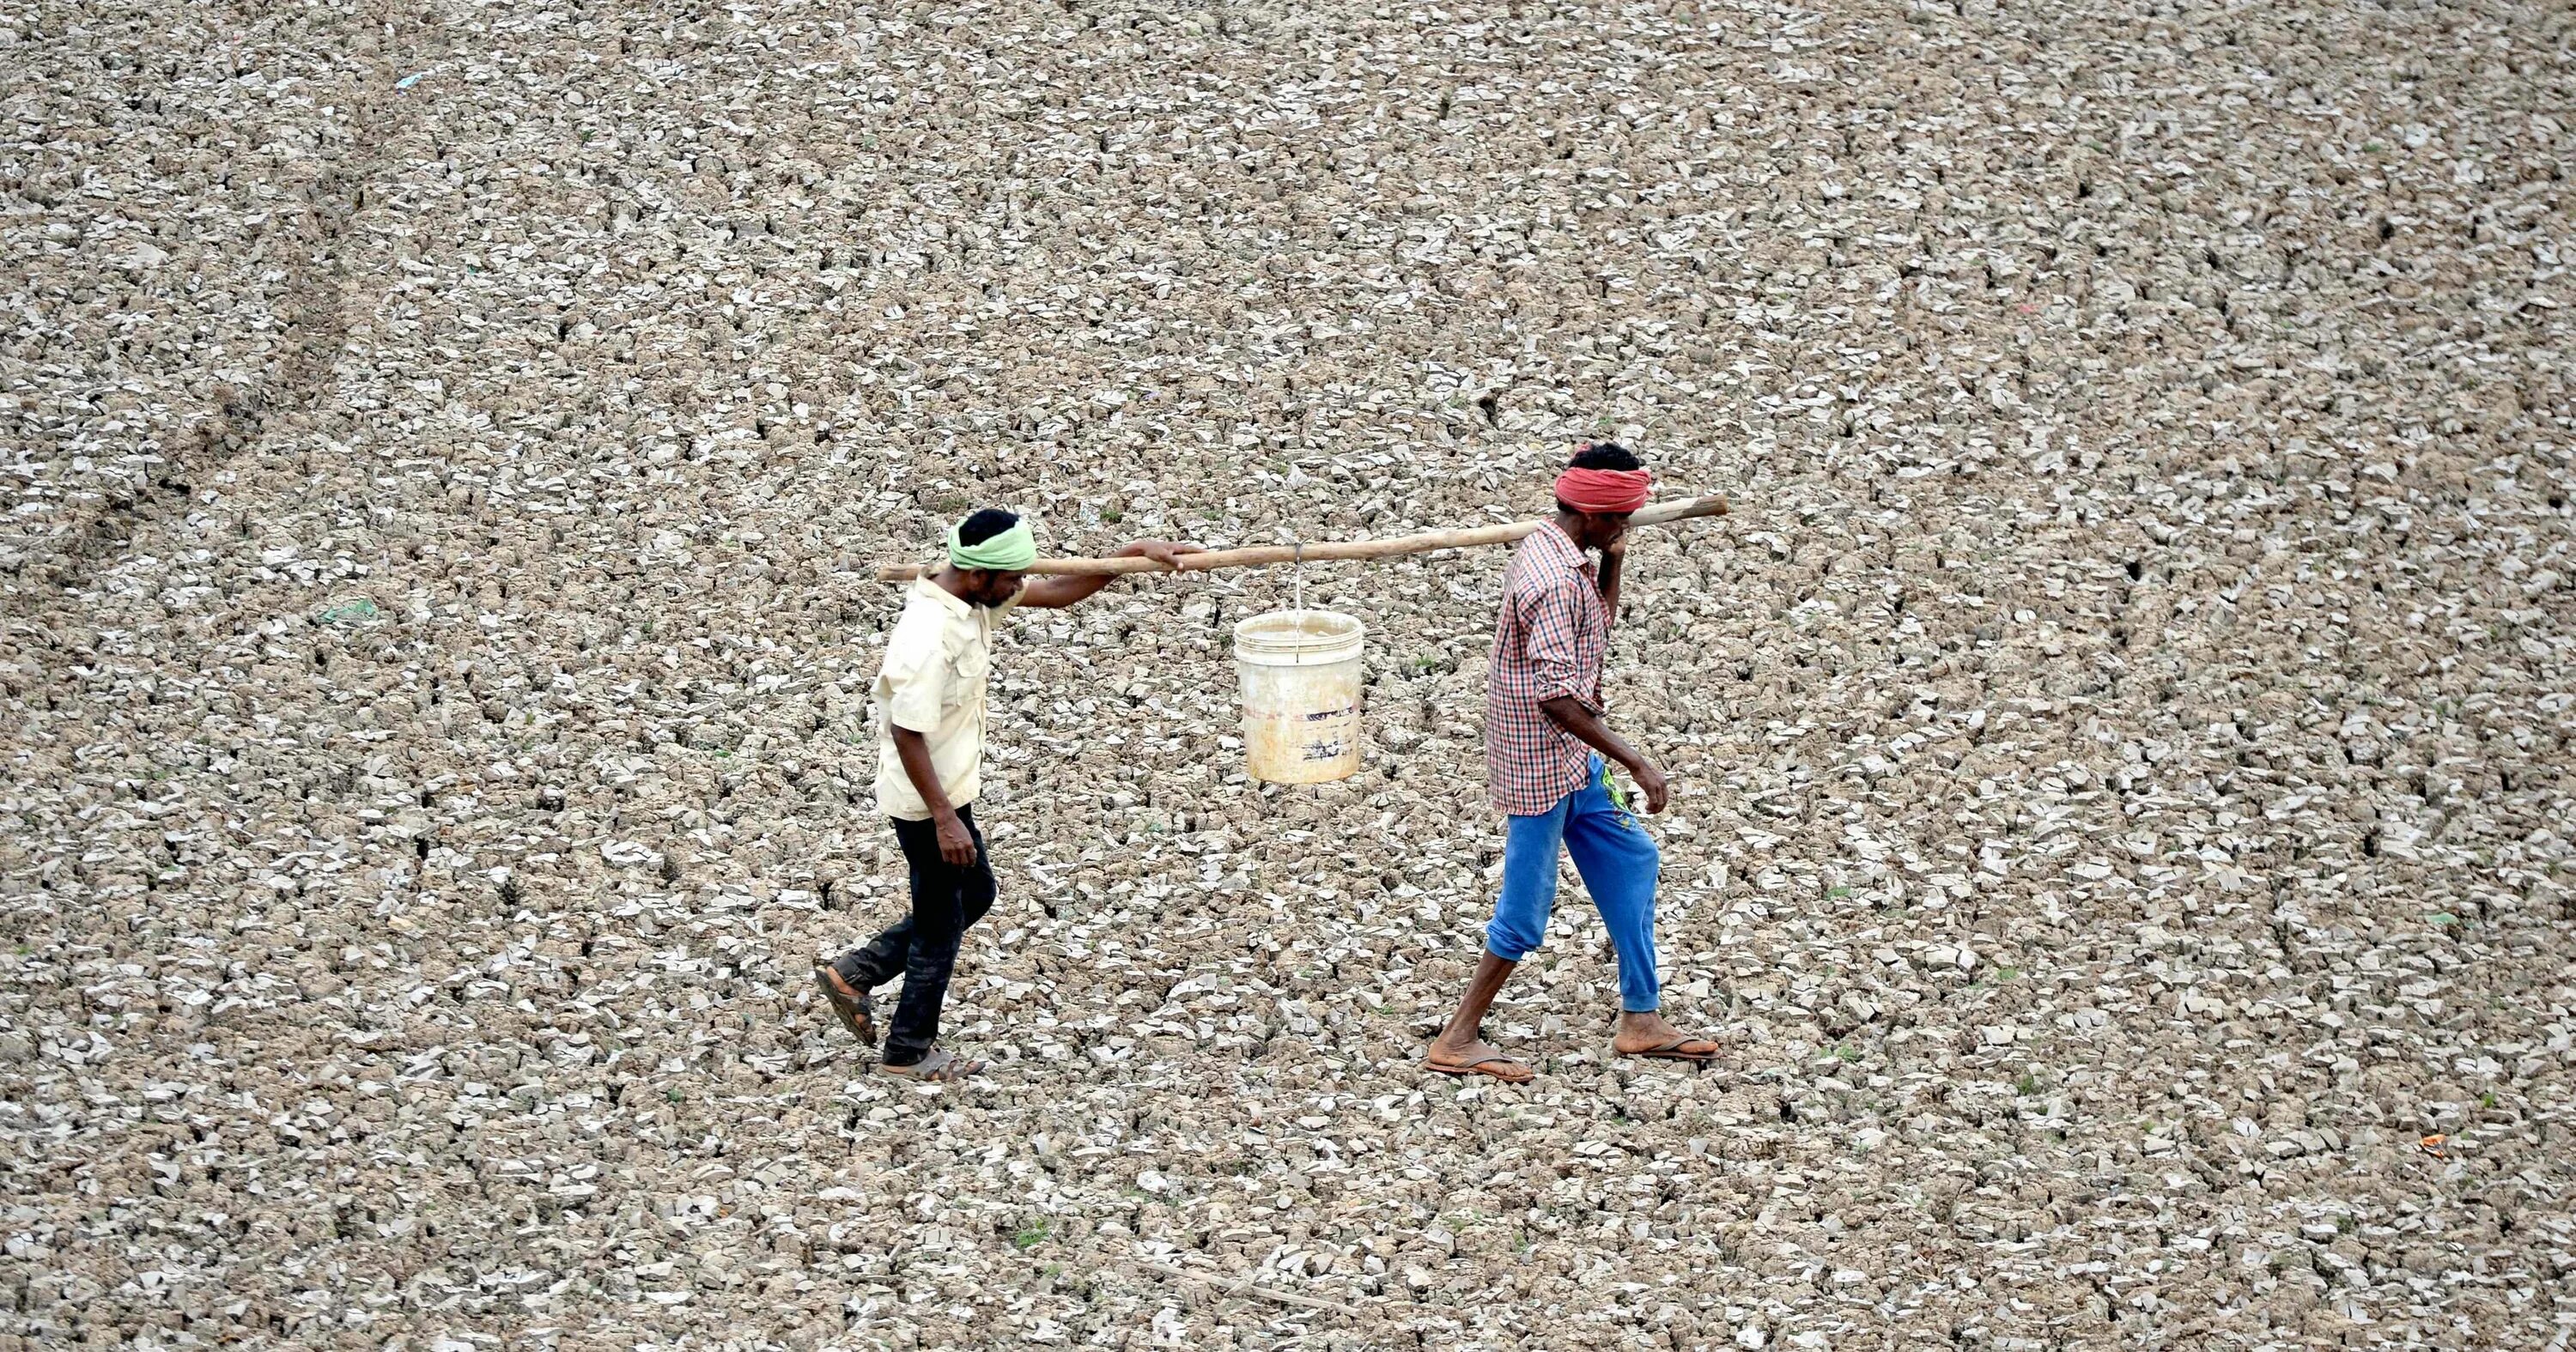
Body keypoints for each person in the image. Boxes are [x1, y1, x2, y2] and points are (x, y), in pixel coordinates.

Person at [815, 508, 1198, 1081]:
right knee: (942, 920)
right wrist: (945, 820)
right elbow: (906, 730)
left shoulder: (973, 599)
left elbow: (1059, 592)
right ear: (976, 574)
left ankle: (856, 972)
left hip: (949, 792)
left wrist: (1130, 555)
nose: (1020, 586)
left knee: (977, 894)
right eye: (1011, 578)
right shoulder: (927, 634)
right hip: (927, 803)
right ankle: (907, 1049)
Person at [1425, 443, 1719, 1082]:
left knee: (1633, 857)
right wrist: (1638, 762)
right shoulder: (1554, 581)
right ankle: (1457, 1036)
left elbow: (1594, 633)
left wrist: (1613, 563)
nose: (1626, 528)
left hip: (1573, 758)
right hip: (1539, 765)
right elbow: (1557, 696)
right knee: (1524, 914)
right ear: (1590, 514)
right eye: (1620, 521)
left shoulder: (1555, 548)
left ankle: (1642, 1018)